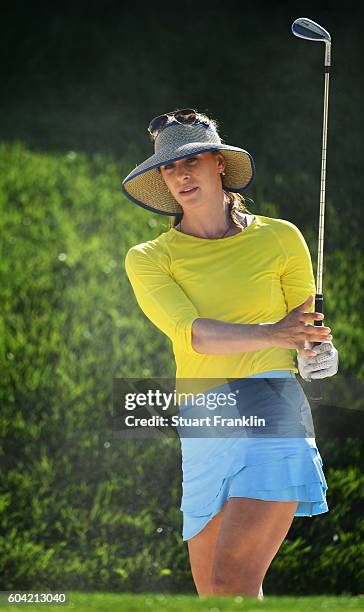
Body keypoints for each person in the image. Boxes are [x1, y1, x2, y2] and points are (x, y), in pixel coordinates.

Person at [121, 108, 339, 599]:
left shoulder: (281, 237)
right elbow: (193, 334)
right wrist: (275, 335)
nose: (181, 175)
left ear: (219, 163)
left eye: (192, 160)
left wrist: (318, 355)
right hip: (202, 418)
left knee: (231, 582)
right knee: (218, 596)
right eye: (170, 167)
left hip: (270, 407)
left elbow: (304, 332)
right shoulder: (149, 257)